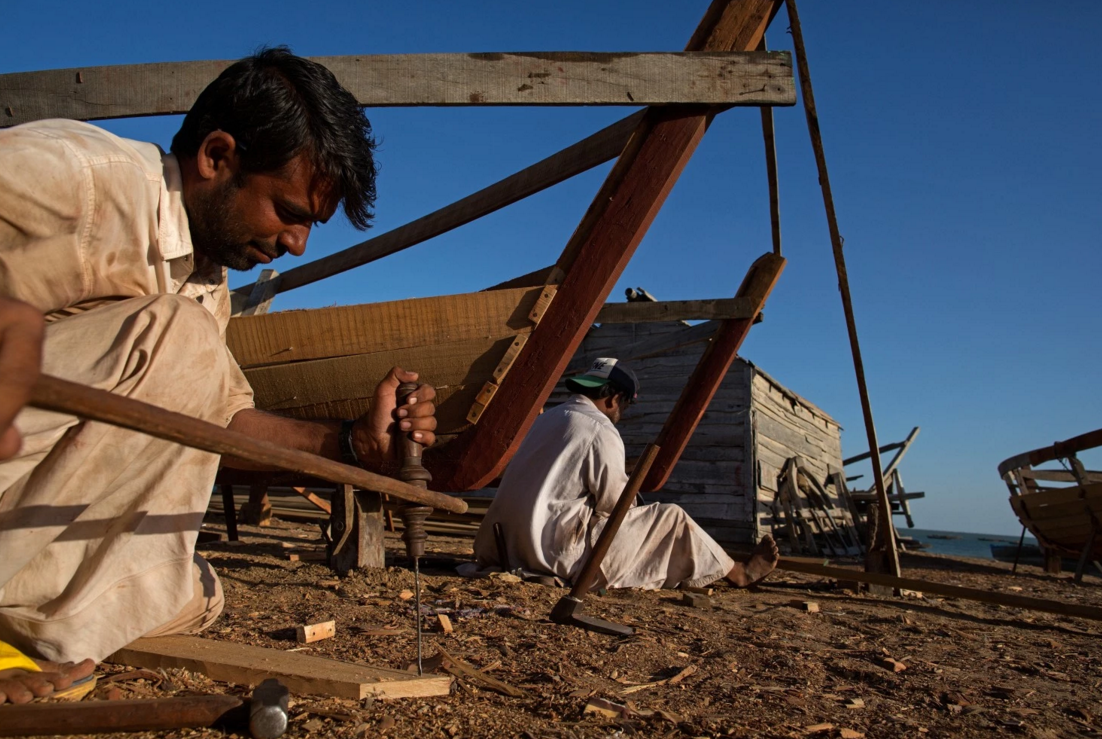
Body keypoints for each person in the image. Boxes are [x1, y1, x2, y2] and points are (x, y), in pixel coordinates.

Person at [0, 48, 438, 704]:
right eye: (289, 211)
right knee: (179, 336)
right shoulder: (77, 180)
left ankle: (32, 624)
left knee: (197, 592)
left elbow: (219, 418)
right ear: (216, 156)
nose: (298, 244)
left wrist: (353, 445)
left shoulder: (208, 281)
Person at [473, 357, 779, 591]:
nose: (622, 413)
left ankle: (716, 566)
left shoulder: (547, 419)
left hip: (507, 549)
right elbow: (615, 504)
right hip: (552, 554)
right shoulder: (599, 428)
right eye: (625, 405)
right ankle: (739, 573)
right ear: (614, 398)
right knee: (671, 517)